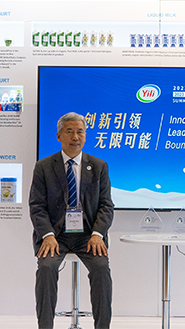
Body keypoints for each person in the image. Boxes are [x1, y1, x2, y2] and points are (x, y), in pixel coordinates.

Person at [29, 112, 114, 329]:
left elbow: (106, 205)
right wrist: (47, 235)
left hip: (88, 235)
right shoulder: (44, 166)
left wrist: (97, 234)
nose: (75, 137)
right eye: (69, 132)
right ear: (59, 136)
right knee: (46, 269)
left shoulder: (99, 166)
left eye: (80, 132)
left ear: (85, 136)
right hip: (55, 235)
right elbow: (37, 206)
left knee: (101, 269)